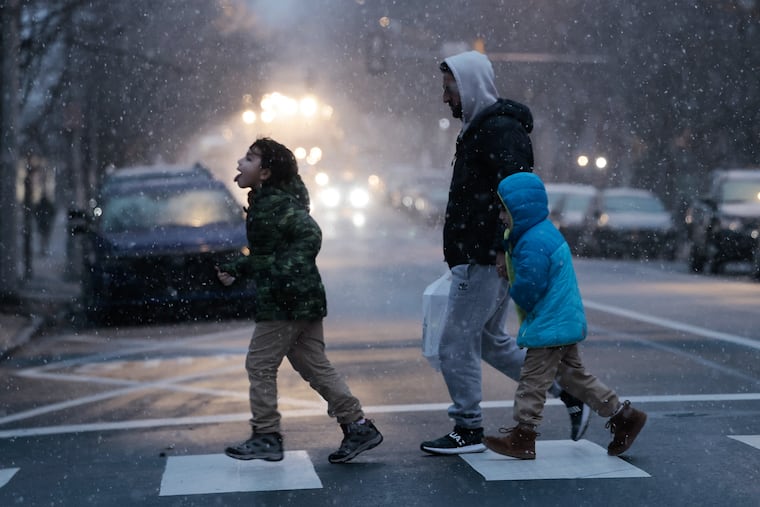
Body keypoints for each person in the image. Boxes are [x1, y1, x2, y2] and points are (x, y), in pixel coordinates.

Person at [420, 50, 589, 455]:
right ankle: (568, 392)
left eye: (450, 88)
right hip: (478, 253)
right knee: (489, 340)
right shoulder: (482, 128)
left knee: (454, 344)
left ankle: (468, 427)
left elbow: (518, 195)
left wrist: (500, 246)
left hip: (484, 256)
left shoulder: (499, 131)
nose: (446, 98)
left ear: (470, 85)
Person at [216, 137, 383, 464]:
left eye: (249, 159)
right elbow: (268, 254)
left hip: (285, 300)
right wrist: (239, 267)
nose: (239, 163)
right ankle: (357, 425)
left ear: (264, 173)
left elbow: (310, 235)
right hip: (299, 297)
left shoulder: (274, 205)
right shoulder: (268, 201)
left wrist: (282, 272)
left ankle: (266, 435)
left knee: (259, 364)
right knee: (313, 366)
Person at [483, 172, 647, 459]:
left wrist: (512, 282)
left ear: (518, 210)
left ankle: (524, 436)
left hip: (550, 323)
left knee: (532, 381)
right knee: (573, 377)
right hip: (560, 319)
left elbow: (530, 288)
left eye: (504, 210)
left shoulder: (532, 241)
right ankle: (623, 416)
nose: (500, 217)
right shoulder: (540, 232)